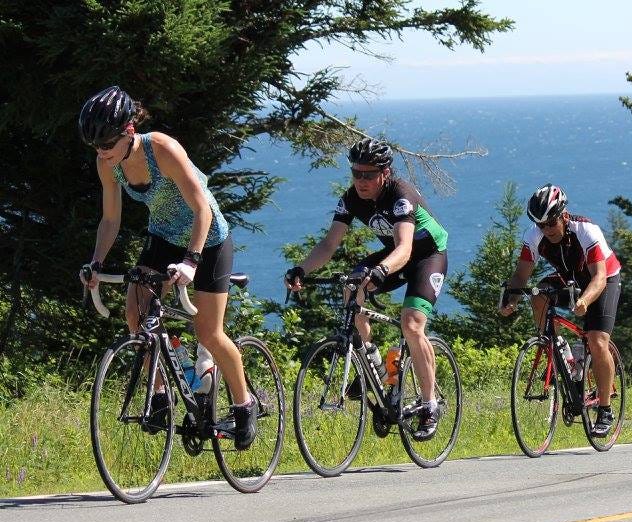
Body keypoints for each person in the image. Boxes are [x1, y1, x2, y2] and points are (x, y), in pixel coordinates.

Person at [77, 86, 257, 449]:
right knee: (136, 313)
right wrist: (96, 262)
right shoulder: (107, 163)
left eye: (107, 145)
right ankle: (160, 397)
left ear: (129, 132)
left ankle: (244, 404)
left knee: (209, 332)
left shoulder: (162, 149)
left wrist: (192, 259)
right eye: (96, 148)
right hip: (162, 236)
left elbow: (202, 208)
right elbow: (110, 220)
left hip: (208, 237)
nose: (102, 153)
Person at [284, 137, 448, 441]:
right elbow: (329, 243)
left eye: (368, 174)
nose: (361, 180)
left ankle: (429, 405)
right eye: (356, 173)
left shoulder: (401, 196)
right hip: (393, 257)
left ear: (385, 173)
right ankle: (371, 359)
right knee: (351, 286)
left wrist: (381, 269)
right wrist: (301, 269)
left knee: (412, 324)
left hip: (426, 256)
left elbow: (405, 247)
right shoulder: (350, 199)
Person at [500, 183, 622, 437]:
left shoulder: (587, 231)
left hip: (603, 279)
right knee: (538, 295)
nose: (546, 230)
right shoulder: (534, 236)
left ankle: (605, 408)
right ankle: (560, 351)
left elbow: (598, 278)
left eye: (550, 223)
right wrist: (510, 299)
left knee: (598, 341)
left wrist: (585, 301)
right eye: (540, 225)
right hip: (571, 279)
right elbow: (521, 275)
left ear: (564, 216)